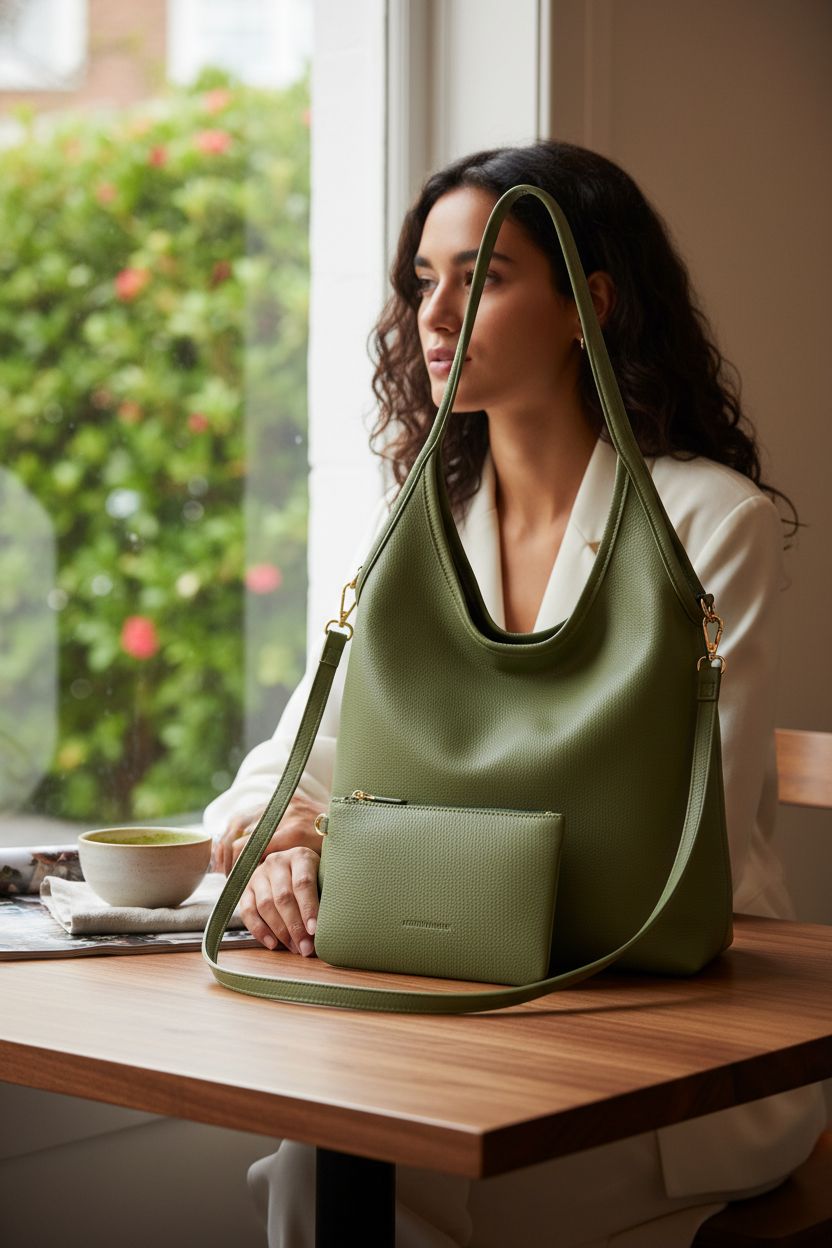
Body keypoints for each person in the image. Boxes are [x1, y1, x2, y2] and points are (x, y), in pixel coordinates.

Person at [204, 141, 826, 1247]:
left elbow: (679, 849)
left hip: (673, 1043)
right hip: (456, 1020)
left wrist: (365, 858)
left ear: (588, 303)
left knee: (407, 1192)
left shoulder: (704, 522)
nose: (430, 317)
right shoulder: (418, 518)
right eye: (421, 282)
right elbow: (303, 751)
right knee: (311, 1167)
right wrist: (282, 836)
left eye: (479, 278)